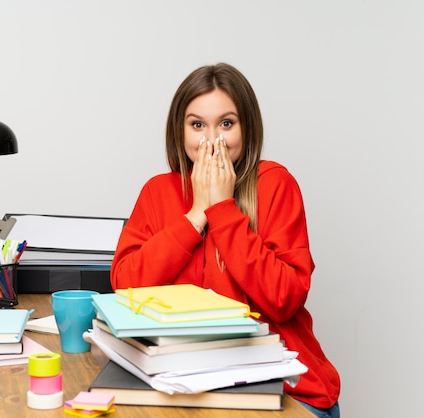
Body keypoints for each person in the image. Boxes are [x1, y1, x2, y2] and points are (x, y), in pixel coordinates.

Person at [110, 63, 340, 417]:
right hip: (185, 384)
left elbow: (284, 298)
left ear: (247, 128)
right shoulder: (158, 192)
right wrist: (196, 213)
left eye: (227, 123)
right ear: (179, 130)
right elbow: (126, 286)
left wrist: (221, 207)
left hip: (284, 391)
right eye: (197, 124)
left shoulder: (276, 184)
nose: (212, 139)